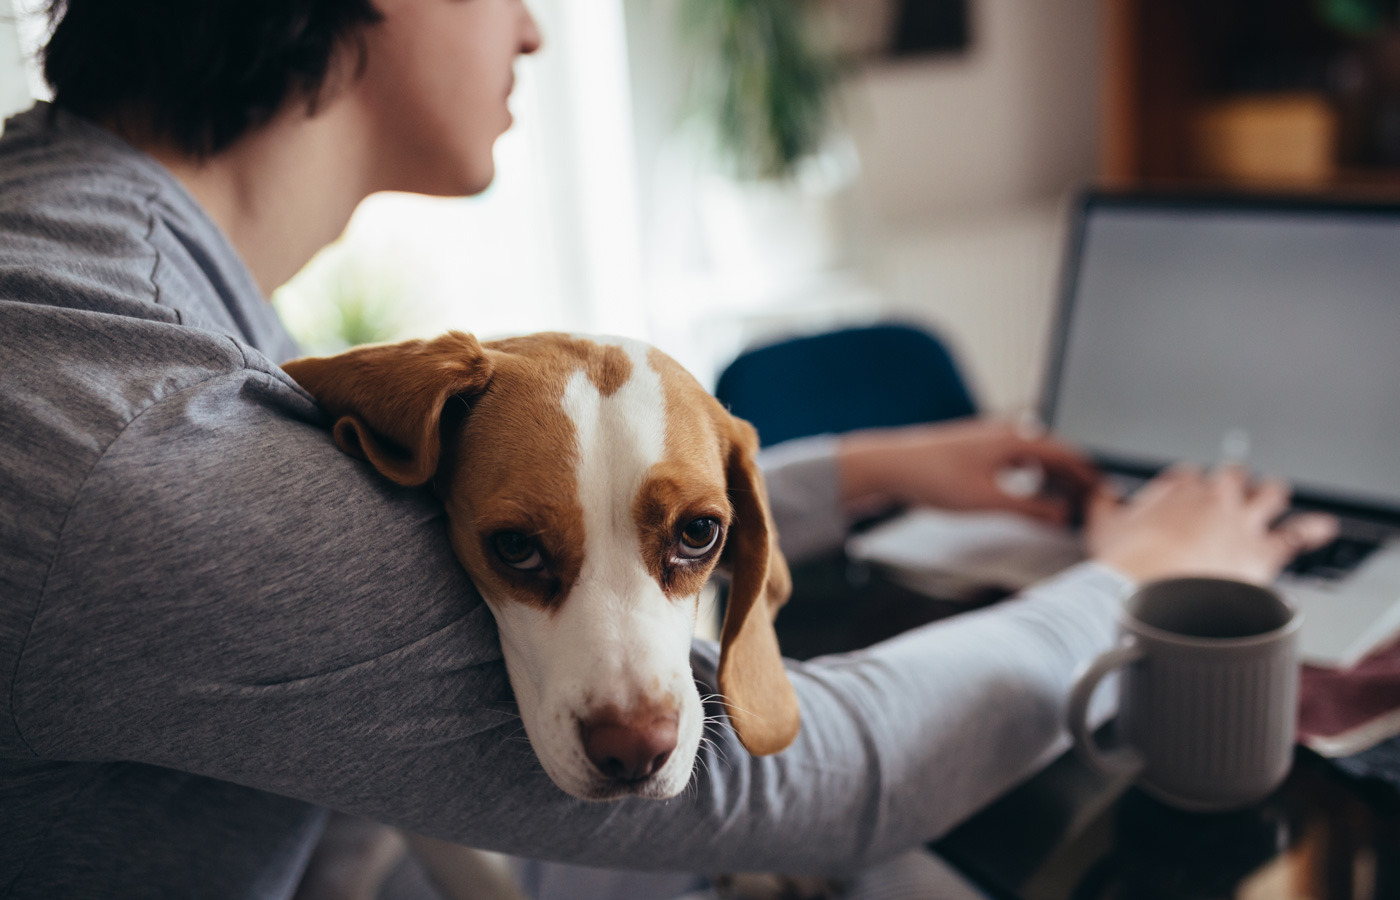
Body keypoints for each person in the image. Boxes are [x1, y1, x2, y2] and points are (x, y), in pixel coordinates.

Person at [0, 1, 1337, 897]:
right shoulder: (137, 442)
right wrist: (1136, 578)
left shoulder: (106, 264)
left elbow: (551, 502)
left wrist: (847, 473)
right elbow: (811, 775)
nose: (531, 27)